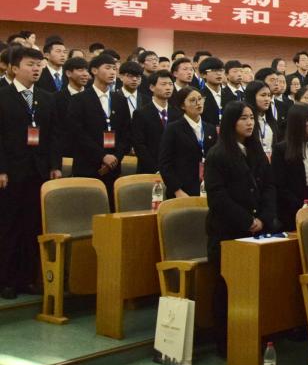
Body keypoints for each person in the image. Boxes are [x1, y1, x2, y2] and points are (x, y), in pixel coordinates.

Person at [204, 101, 277, 355]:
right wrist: (247, 220)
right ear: (231, 122)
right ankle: (225, 343)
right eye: (243, 118)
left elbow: (269, 187)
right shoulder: (218, 154)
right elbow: (218, 196)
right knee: (227, 288)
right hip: (228, 232)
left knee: (256, 285)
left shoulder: (256, 150)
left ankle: (255, 335)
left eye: (251, 118)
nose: (249, 123)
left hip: (258, 230)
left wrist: (264, 218)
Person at [0, 46, 62, 299]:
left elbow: (54, 135)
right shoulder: (3, 96)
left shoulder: (47, 98)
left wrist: (55, 166)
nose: (36, 69)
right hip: (11, 173)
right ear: (14, 68)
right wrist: (1, 169)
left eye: (39, 65)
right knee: (9, 226)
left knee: (33, 226)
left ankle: (26, 278)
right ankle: (6, 280)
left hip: (39, 172)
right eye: (30, 64)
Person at [65, 54, 130, 204]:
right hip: (87, 165)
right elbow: (77, 133)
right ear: (94, 71)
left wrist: (116, 157)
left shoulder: (120, 100)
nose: (112, 72)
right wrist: (102, 156)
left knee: (112, 207)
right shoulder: (79, 99)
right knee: (87, 207)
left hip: (113, 166)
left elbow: (126, 132)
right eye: (107, 68)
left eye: (114, 69)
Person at [272, 103, 308, 231]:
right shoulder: (281, 149)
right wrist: (301, 206)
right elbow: (279, 185)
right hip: (291, 209)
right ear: (297, 123)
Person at [159, 86, 218, 197]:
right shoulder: (173, 129)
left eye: (200, 99)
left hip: (207, 187)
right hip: (182, 189)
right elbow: (165, 164)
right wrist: (177, 190)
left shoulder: (210, 128)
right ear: (182, 105)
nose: (198, 103)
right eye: (192, 100)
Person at [131, 70, 178, 174]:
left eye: (170, 84)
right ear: (152, 87)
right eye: (163, 84)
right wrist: (156, 168)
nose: (168, 87)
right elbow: (139, 145)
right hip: (149, 170)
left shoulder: (177, 113)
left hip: (173, 170)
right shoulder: (141, 114)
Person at [198, 57, 234, 128]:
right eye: (214, 70)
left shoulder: (231, 95)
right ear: (203, 74)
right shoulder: (199, 96)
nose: (219, 73)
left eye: (221, 70)